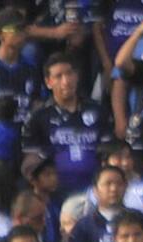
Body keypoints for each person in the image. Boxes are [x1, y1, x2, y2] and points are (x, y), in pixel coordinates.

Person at [23, 52, 112, 198]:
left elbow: (108, 152)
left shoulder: (98, 111)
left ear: (76, 76)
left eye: (69, 74)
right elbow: (30, 160)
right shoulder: (38, 117)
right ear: (48, 82)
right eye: (58, 76)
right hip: (55, 192)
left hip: (96, 190)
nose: (66, 81)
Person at [85, 140, 143, 218]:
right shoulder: (95, 190)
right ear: (104, 162)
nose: (125, 163)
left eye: (128, 157)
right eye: (118, 158)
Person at [0, 8, 42, 125]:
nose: (21, 34)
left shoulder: (31, 68)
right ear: (0, 34)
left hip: (24, 132)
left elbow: (37, 102)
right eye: (15, 29)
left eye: (23, 29)